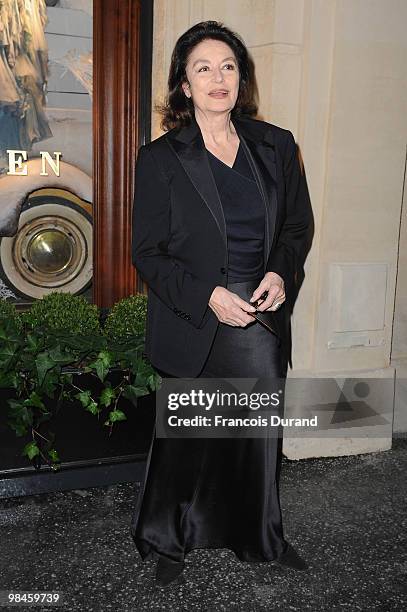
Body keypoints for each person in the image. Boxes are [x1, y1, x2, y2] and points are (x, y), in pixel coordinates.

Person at [130, 21, 314, 587]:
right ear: (184, 85)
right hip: (195, 314)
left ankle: (259, 535)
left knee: (257, 436)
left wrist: (281, 273)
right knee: (187, 436)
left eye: (229, 66)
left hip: (257, 318)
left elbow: (296, 226)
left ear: (241, 79)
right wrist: (208, 297)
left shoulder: (275, 145)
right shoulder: (161, 158)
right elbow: (148, 252)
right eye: (203, 68)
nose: (218, 77)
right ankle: (167, 541)